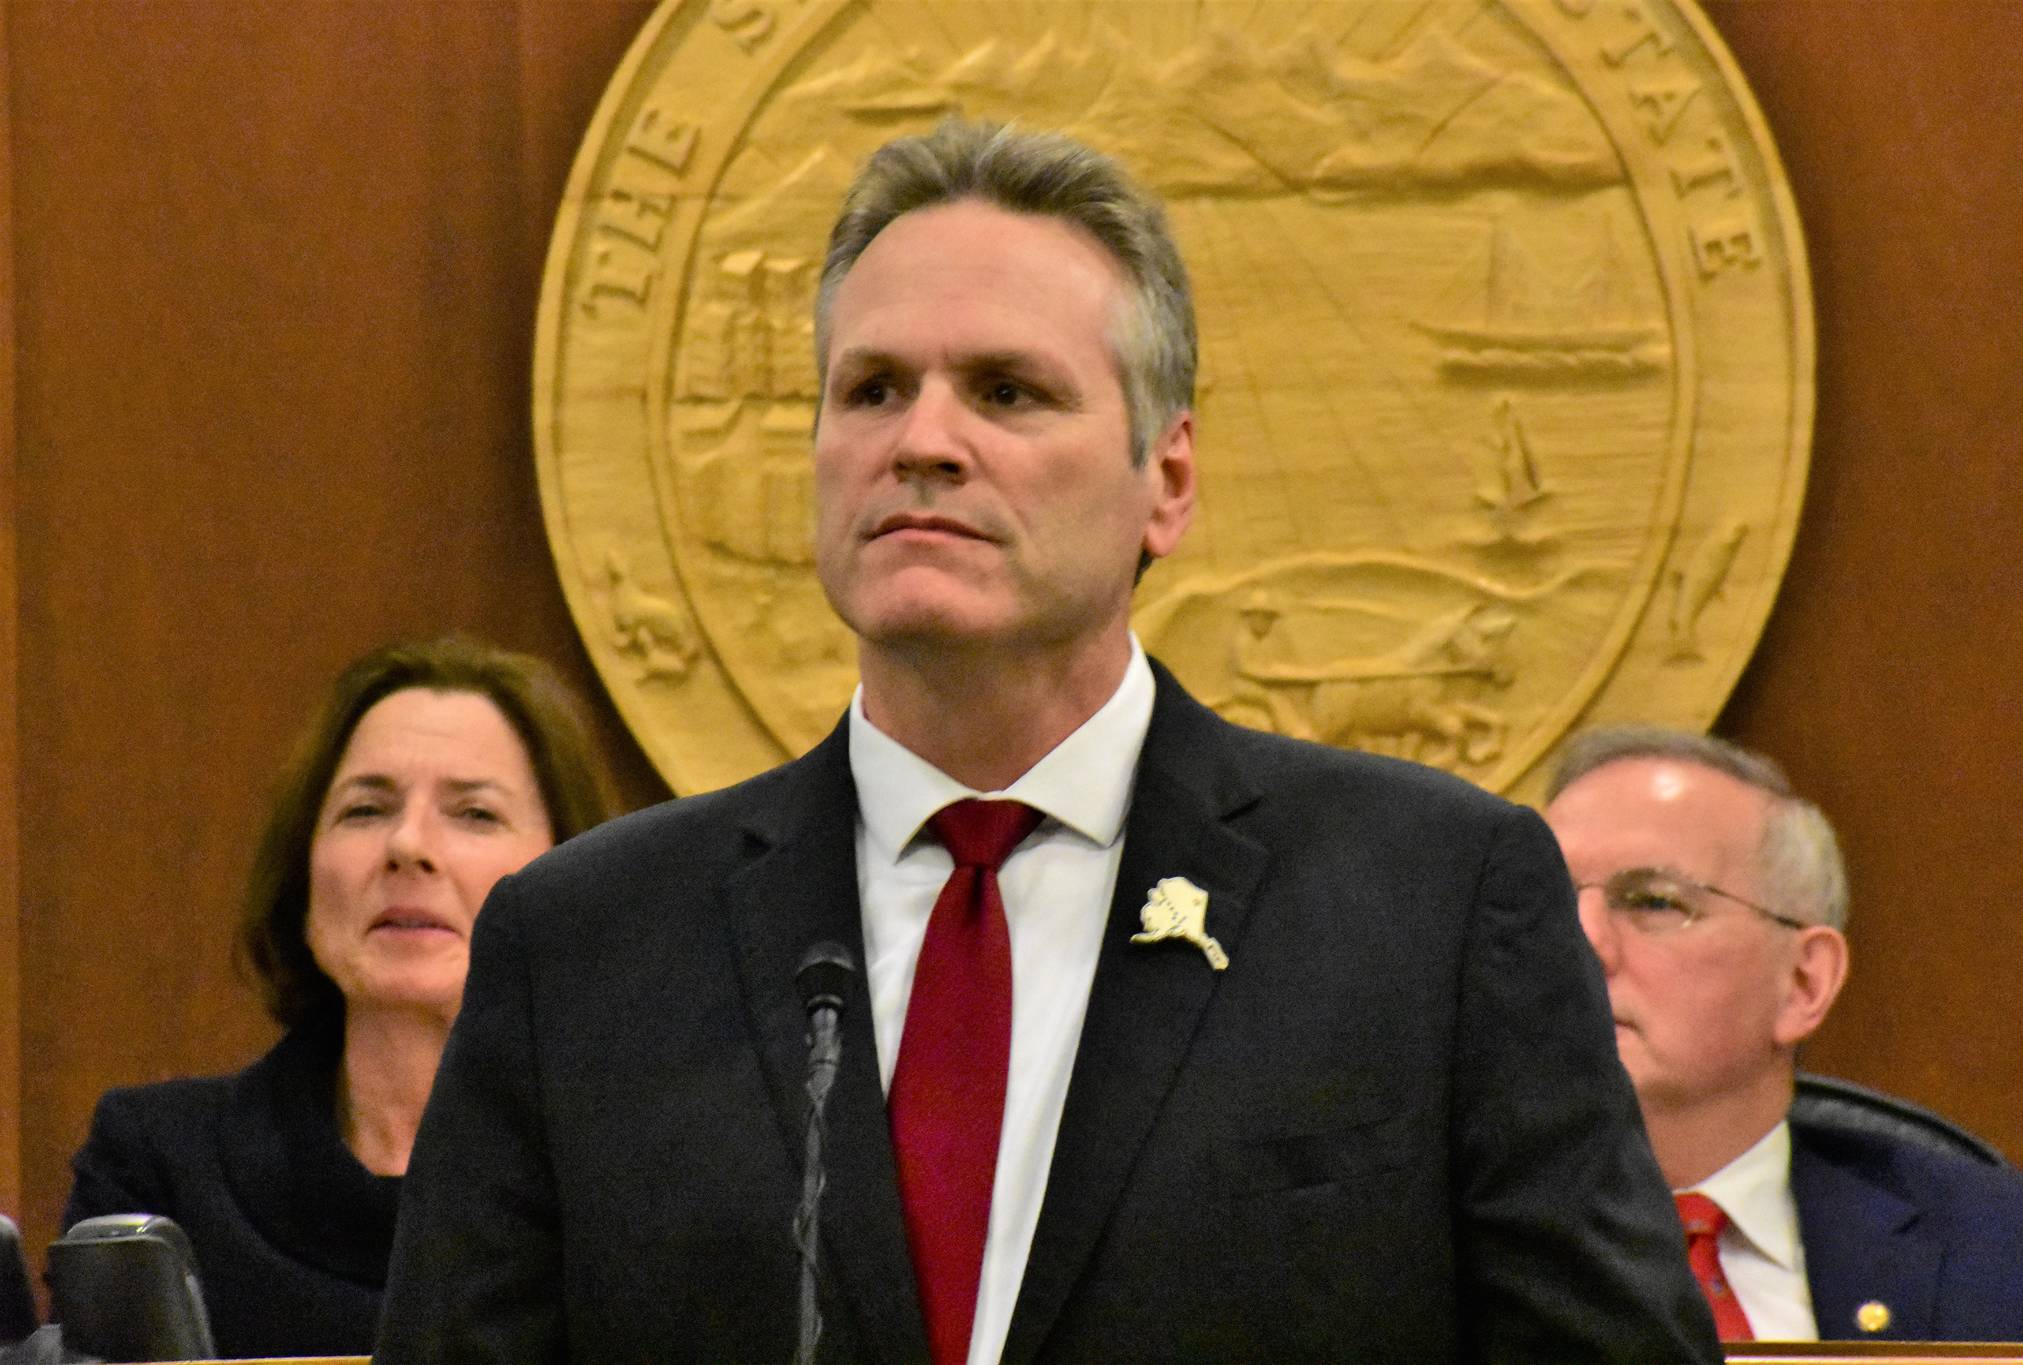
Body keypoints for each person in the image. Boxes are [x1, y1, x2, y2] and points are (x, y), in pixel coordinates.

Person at [378, 120, 1716, 1362]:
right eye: (873, 390)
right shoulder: (584, 948)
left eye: (1009, 393)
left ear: (1167, 479)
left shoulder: (1431, 904)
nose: (925, 442)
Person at [62, 636, 619, 1357]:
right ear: (305, 871)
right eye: (365, 809)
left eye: (475, 813)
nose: (407, 844)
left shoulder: (633, 1179)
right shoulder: (155, 1167)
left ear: (574, 873)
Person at [1545, 726, 2023, 1342]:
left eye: (1653, 901)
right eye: (1543, 903)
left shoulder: (2015, 1258)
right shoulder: (1406, 1246)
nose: (1581, 942)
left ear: (1804, 983)